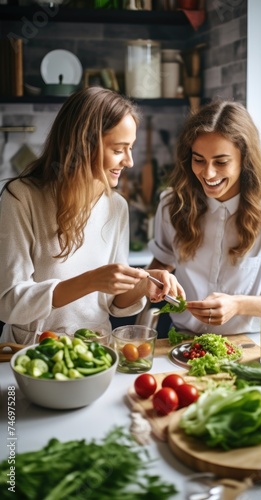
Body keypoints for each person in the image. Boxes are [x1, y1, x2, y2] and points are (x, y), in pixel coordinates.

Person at [0, 87, 184, 344]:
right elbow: (9, 302)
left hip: (97, 350)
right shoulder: (21, 197)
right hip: (32, 352)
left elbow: (114, 304)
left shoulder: (116, 206)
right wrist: (91, 281)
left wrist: (144, 284)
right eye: (119, 149)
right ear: (82, 146)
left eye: (130, 148)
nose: (129, 162)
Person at [147, 99, 261, 335]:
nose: (208, 173)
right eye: (198, 159)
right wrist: (152, 280)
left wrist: (238, 304)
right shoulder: (172, 204)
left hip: (247, 347)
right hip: (181, 342)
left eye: (221, 162)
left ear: (245, 160)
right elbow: (162, 262)